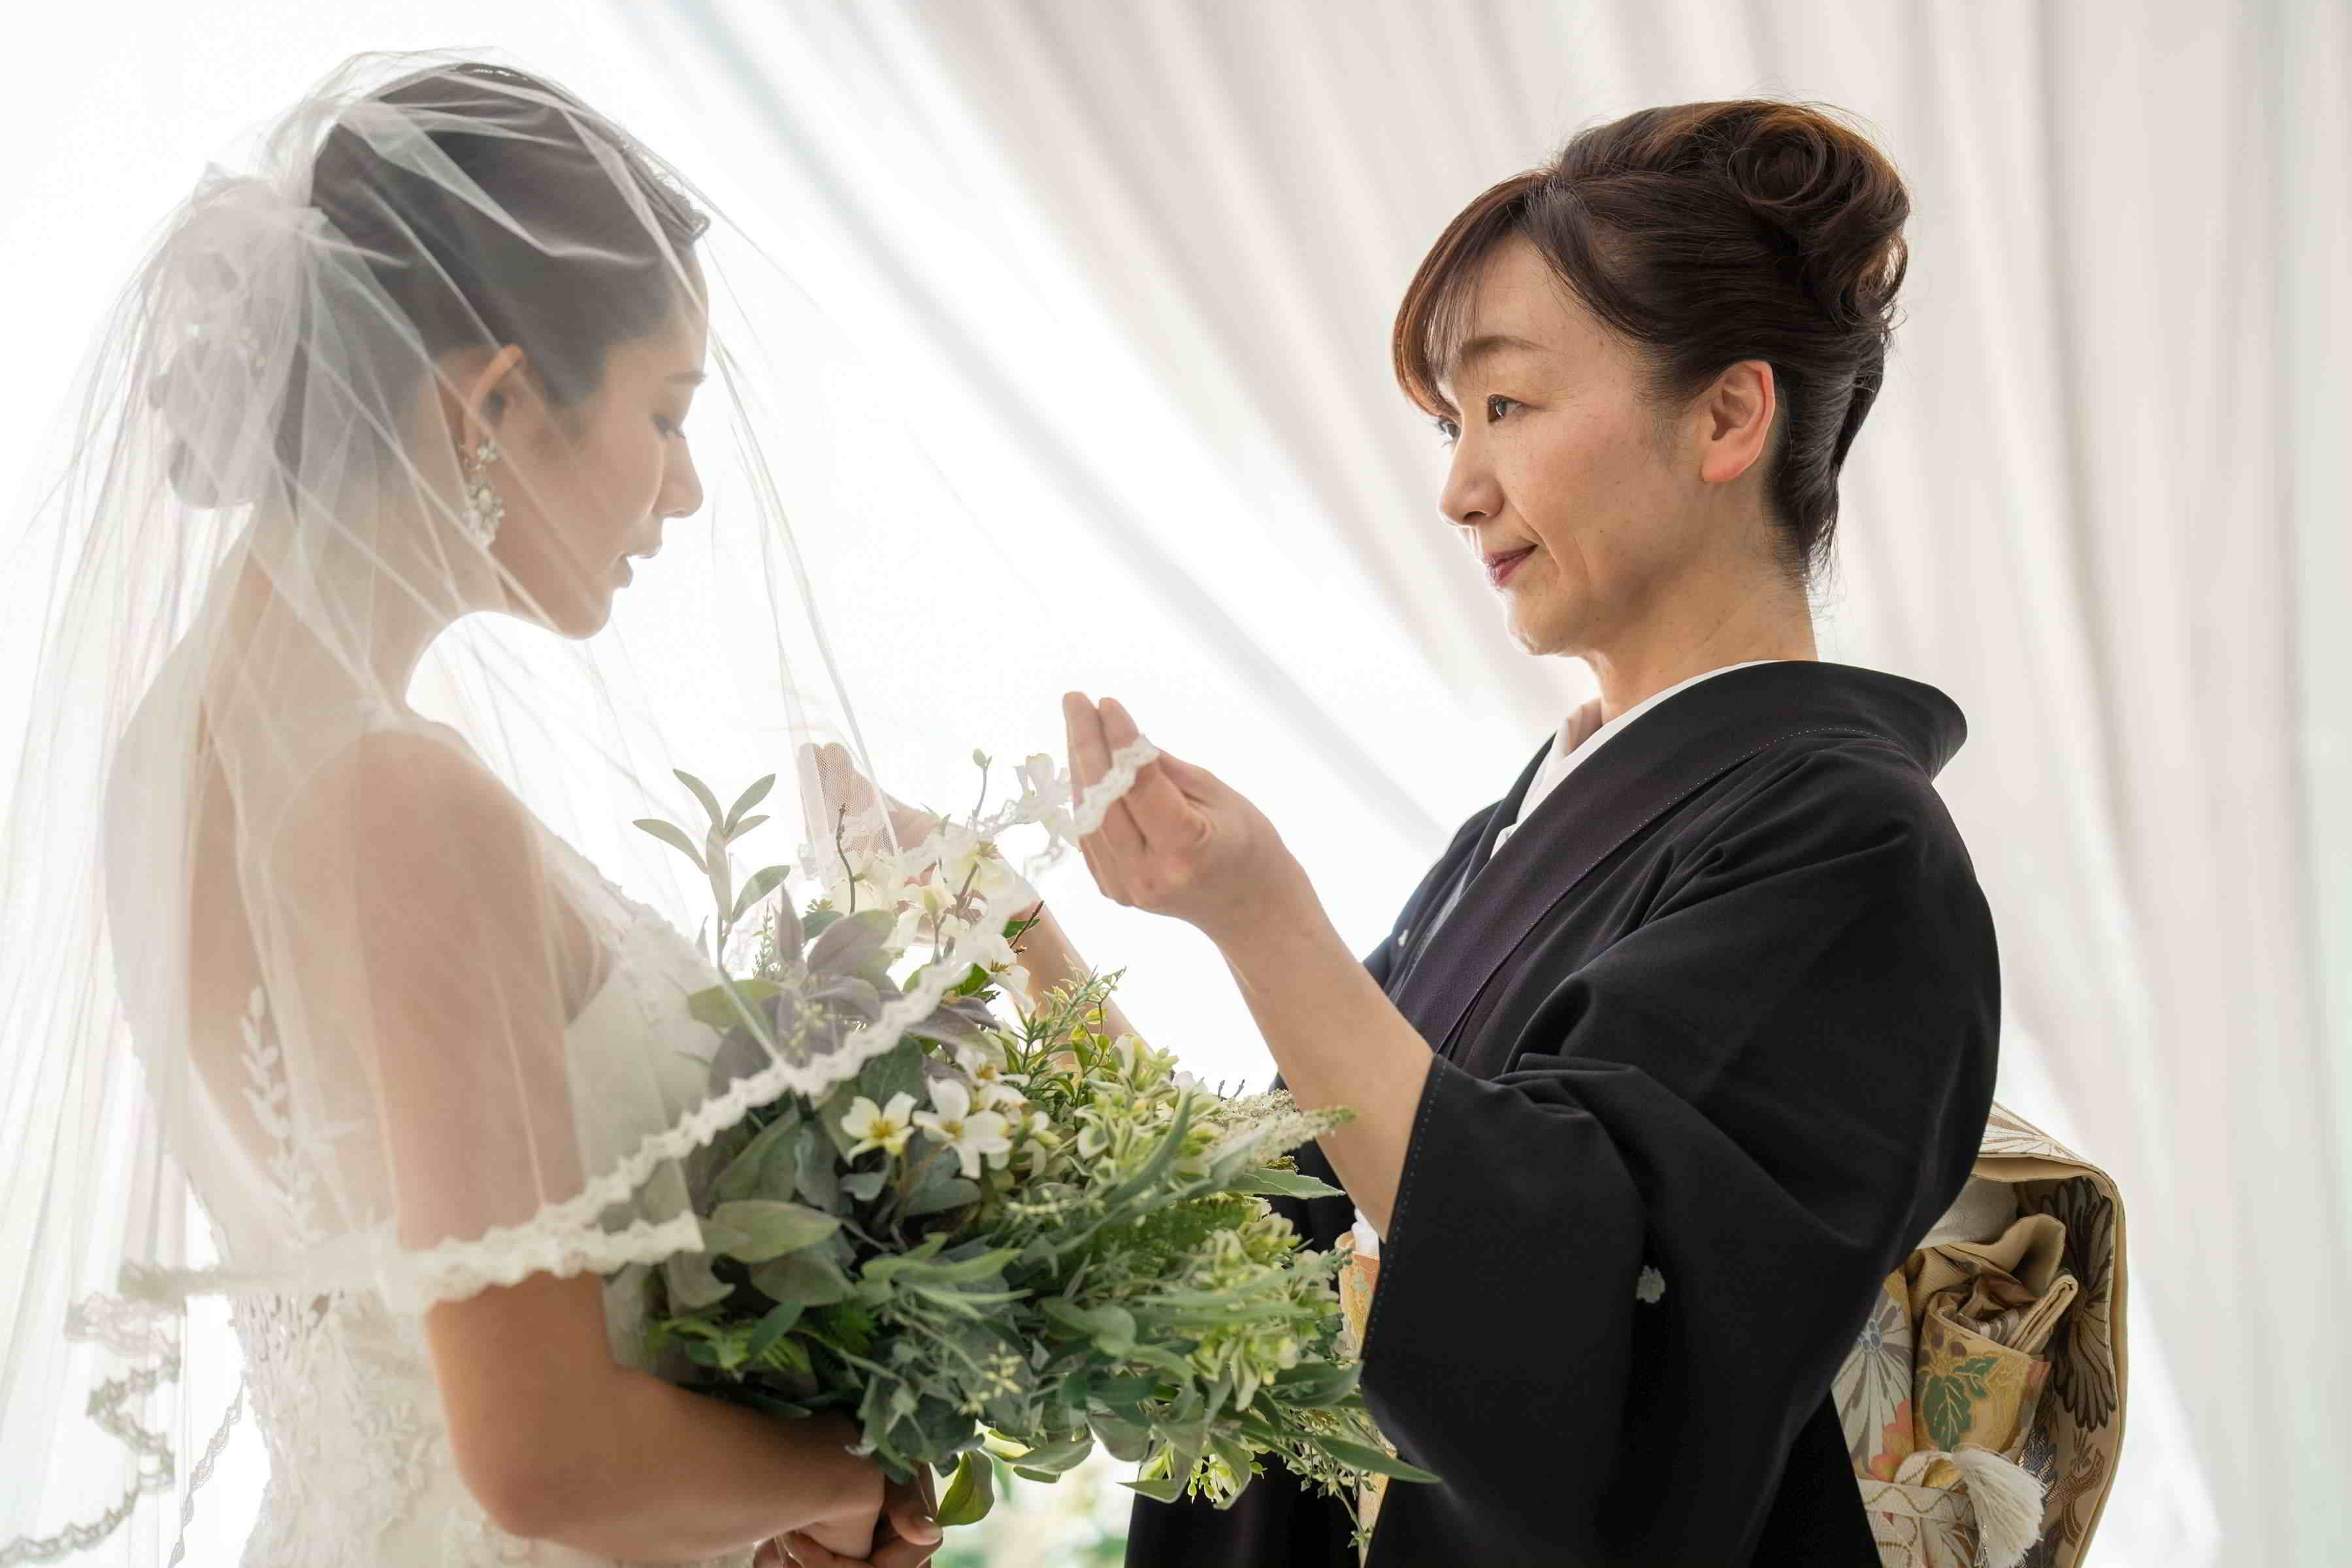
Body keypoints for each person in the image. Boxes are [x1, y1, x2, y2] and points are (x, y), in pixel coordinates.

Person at [0, 54, 956, 1568]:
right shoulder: (404, 801)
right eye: (666, 414)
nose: (687, 491)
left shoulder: (173, 747)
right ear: (496, 402)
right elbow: (541, 1458)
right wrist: (839, 1478)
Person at [1054, 101, 2000, 1565]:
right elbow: (1276, 1235)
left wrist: (1266, 917)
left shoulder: (1851, 845)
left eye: (1507, 406)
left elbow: (1579, 1317)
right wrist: (1027, 959)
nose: (1458, 489)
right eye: (1453, 424)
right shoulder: (1533, 818)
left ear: (1728, 418)